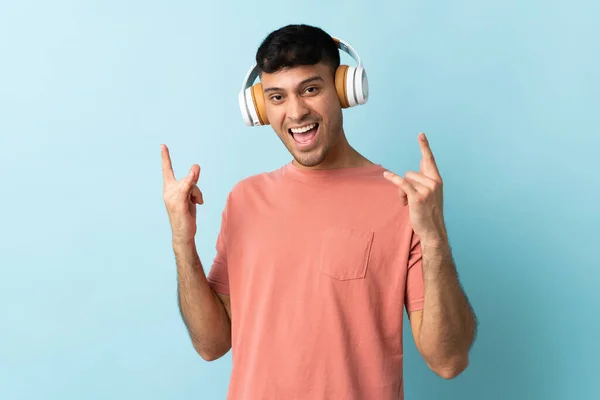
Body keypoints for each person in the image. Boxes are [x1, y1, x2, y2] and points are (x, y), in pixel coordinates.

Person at [161, 24, 477, 400]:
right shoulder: (245, 200)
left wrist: (435, 237)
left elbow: (449, 360)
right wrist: (183, 242)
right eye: (276, 97)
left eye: (311, 89)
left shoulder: (402, 202)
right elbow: (211, 345)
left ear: (344, 89)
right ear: (260, 108)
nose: (296, 112)